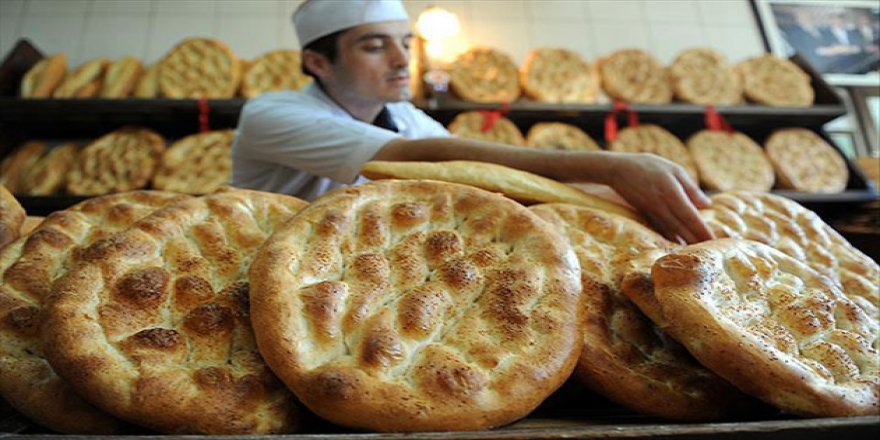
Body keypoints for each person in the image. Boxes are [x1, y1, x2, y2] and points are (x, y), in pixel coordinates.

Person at [231, 0, 713, 244]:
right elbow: (432, 157)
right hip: (268, 267)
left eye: (406, 42)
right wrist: (610, 166)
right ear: (317, 62)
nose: (402, 60)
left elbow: (487, 180)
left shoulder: (403, 116)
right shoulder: (273, 114)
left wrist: (622, 200)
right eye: (375, 45)